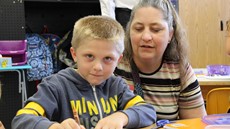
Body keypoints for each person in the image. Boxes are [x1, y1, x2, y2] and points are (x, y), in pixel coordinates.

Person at [11, 15, 156, 129]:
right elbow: (21, 119)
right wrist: (54, 126)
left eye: (108, 58)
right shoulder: (55, 86)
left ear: (118, 60)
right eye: (89, 56)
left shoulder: (116, 85)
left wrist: (122, 117)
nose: (98, 67)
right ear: (74, 54)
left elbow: (148, 111)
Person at [114, 0, 207, 120]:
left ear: (170, 34)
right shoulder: (113, 64)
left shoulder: (180, 71)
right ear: (129, 31)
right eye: (138, 29)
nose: (146, 37)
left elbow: (196, 124)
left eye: (156, 30)